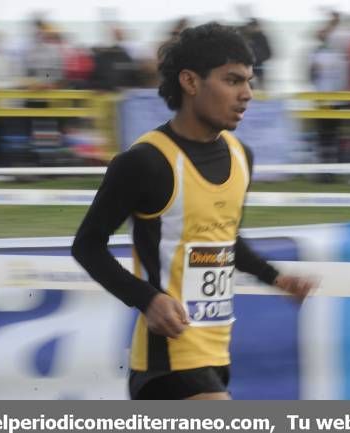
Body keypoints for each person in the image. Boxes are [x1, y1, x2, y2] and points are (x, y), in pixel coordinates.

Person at [72, 22, 314, 400]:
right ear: (190, 81)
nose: (247, 94)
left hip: (216, 353)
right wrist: (147, 299)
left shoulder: (241, 157)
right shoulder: (145, 161)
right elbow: (87, 246)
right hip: (165, 361)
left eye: (250, 81)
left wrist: (275, 278)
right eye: (232, 80)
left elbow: (223, 238)